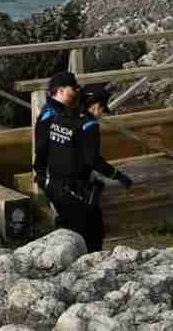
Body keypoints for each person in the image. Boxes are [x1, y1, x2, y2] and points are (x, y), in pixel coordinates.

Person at [34, 72, 133, 252]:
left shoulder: (59, 118)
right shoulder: (88, 124)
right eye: (102, 107)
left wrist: (42, 176)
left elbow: (55, 149)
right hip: (72, 189)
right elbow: (92, 159)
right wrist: (118, 175)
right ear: (95, 105)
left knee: (70, 230)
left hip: (55, 184)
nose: (102, 112)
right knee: (92, 234)